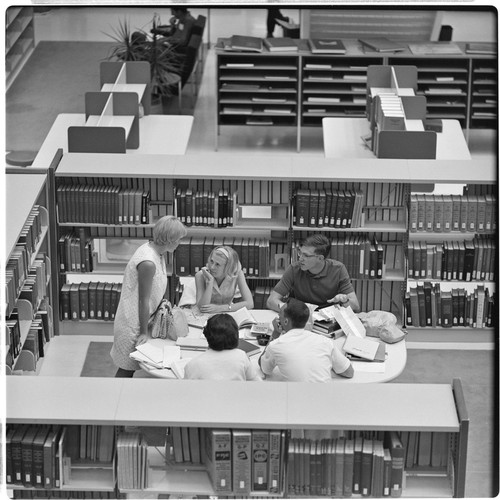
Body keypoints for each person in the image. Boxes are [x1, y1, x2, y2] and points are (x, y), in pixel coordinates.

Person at [110, 215, 188, 377]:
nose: (179, 243)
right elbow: (143, 299)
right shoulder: (148, 263)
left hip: (144, 317)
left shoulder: (158, 252)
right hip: (133, 324)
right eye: (178, 239)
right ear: (170, 240)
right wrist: (143, 332)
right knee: (126, 368)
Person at [259, 298, 354, 381]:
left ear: (285, 321)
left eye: (280, 315)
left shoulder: (276, 345)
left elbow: (264, 368)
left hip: (295, 400)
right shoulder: (325, 342)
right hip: (324, 399)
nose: (278, 317)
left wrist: (275, 334)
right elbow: (349, 372)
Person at [266, 234, 360, 313]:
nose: (300, 258)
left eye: (306, 255)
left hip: (328, 318)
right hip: (300, 317)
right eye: (300, 253)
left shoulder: (338, 269)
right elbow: (271, 301)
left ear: (320, 258)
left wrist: (344, 301)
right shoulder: (294, 269)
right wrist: (290, 310)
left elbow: (355, 306)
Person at [184, 313, 260, 381]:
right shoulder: (242, 356)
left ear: (207, 336)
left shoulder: (193, 365)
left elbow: (186, 392)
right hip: (236, 396)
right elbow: (257, 384)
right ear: (236, 336)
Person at [195, 246, 254, 313]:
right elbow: (202, 308)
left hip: (227, 312)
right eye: (211, 261)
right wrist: (210, 282)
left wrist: (220, 308)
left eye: (217, 264)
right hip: (206, 316)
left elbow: (250, 303)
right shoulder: (200, 275)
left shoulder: (237, 273)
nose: (212, 267)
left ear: (228, 267)